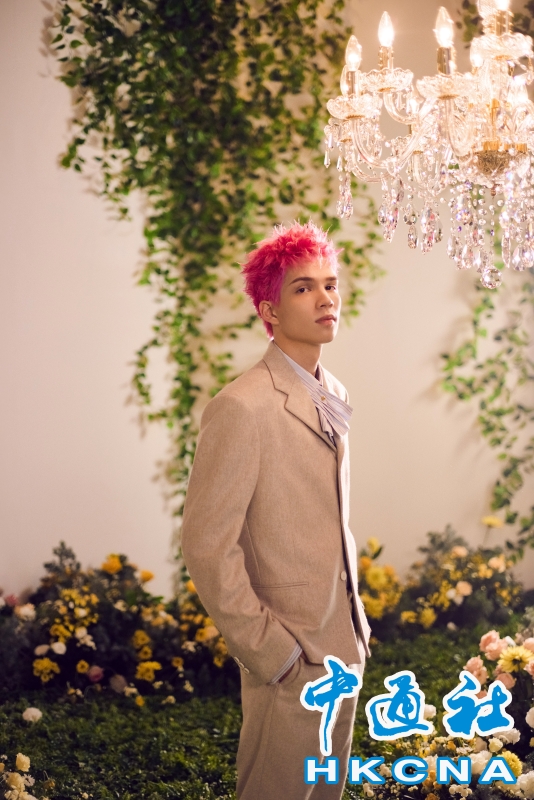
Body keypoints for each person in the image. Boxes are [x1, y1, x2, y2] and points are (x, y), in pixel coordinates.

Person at [181, 221, 371, 800]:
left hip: (342, 646)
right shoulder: (241, 407)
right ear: (269, 309)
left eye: (330, 284)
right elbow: (206, 545)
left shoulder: (334, 392)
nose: (325, 298)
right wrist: (274, 653)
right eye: (303, 288)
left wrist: (356, 628)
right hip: (292, 658)